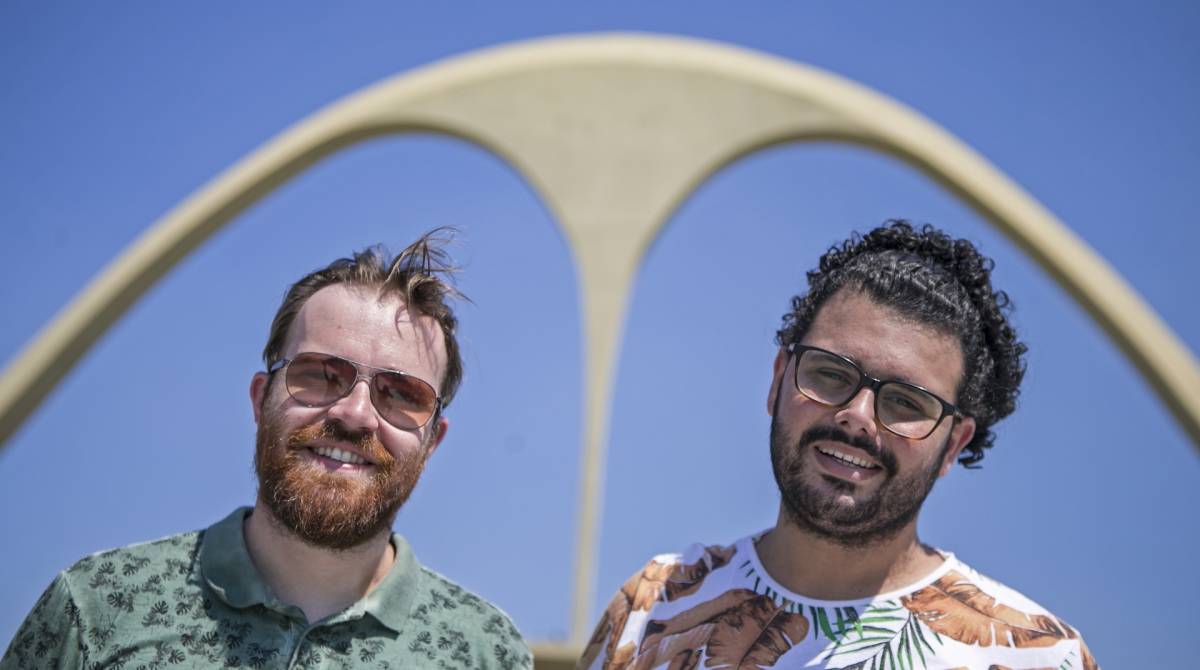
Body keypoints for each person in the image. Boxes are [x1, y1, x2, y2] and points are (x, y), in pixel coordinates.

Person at [2, 230, 532, 670]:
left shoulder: (487, 653)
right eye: (322, 376)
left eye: (403, 395)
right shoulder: (97, 610)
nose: (354, 414)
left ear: (432, 441)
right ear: (262, 398)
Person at [580, 221, 1098, 670]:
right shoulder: (655, 607)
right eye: (830, 374)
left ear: (953, 444)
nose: (857, 416)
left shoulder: (1036, 655)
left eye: (905, 403)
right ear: (778, 379)